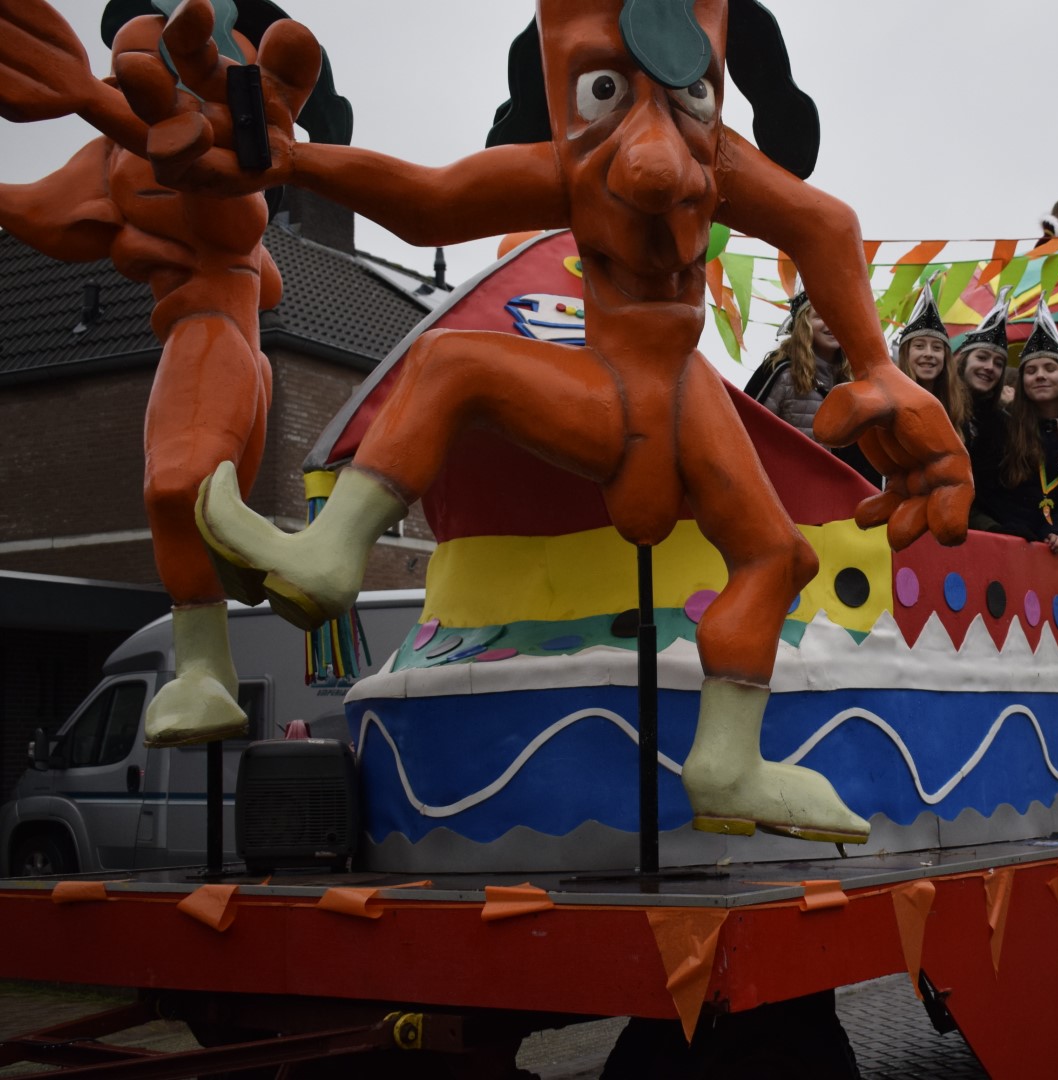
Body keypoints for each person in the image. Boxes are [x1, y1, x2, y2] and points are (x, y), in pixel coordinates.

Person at [169, 0, 971, 845]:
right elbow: (432, 200)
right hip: (614, 392)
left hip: (681, 387)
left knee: (778, 556)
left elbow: (826, 225)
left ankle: (728, 764)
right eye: (606, 90)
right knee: (449, 362)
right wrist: (293, 159)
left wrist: (881, 368)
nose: (656, 158)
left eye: (690, 95)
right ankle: (333, 552)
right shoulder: (580, 164)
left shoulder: (712, 160)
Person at [0, 0, 349, 748]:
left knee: (175, 487)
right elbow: (40, 210)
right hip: (213, 343)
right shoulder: (112, 157)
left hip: (216, 335)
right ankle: (220, 641)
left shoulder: (229, 152)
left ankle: (244, 616)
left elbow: (228, 206)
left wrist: (133, 113)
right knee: (179, 498)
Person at [973, 298, 1058, 553]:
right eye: (1031, 371)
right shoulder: (1003, 425)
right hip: (1005, 542)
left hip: (1054, 548)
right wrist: (1018, 531)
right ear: (1022, 381)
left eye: (1050, 368)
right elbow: (987, 491)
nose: (1040, 375)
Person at [749, 291, 882, 484]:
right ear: (804, 323)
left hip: (834, 490)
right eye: (821, 316)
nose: (831, 323)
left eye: (837, 316)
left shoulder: (856, 378)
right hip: (786, 487)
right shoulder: (780, 370)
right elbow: (749, 430)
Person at [895, 283, 969, 438]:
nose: (929, 354)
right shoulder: (889, 404)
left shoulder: (958, 410)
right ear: (906, 354)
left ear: (945, 357)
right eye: (919, 346)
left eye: (936, 348)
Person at [955, 287, 1011, 458]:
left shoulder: (1004, 423)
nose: (990, 367)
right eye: (982, 357)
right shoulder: (940, 406)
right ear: (964, 362)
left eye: (998, 363)